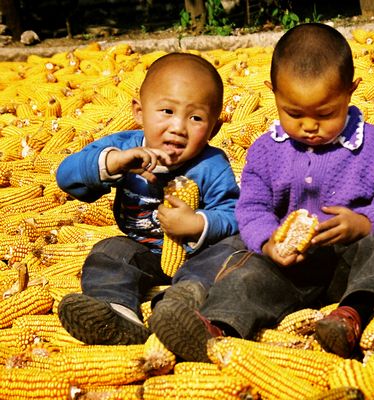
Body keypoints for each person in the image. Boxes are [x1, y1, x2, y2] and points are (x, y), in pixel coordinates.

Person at [149, 23, 374, 362]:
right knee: (246, 269)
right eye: (293, 114)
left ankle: (352, 315)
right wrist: (269, 242)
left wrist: (364, 223)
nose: (309, 126)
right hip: (290, 266)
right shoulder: (267, 151)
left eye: (325, 114)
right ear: (273, 93)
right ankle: (216, 330)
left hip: (355, 259)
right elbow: (252, 207)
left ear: (350, 91)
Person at [55, 52, 240, 346]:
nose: (178, 127)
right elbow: (66, 177)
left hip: (196, 256)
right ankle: (117, 313)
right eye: (167, 111)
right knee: (108, 252)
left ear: (214, 129)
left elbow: (234, 214)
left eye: (195, 118)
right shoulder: (123, 148)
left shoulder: (212, 165)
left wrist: (197, 224)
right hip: (142, 251)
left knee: (231, 254)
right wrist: (114, 163)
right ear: (140, 113)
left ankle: (178, 308)